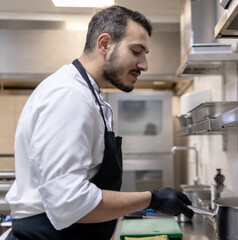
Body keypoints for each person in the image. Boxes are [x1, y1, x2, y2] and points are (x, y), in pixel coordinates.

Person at [4, 5, 193, 240]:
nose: (144, 65)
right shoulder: (69, 95)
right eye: (136, 51)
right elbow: (70, 202)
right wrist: (152, 199)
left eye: (145, 54)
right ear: (104, 44)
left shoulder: (89, 96)